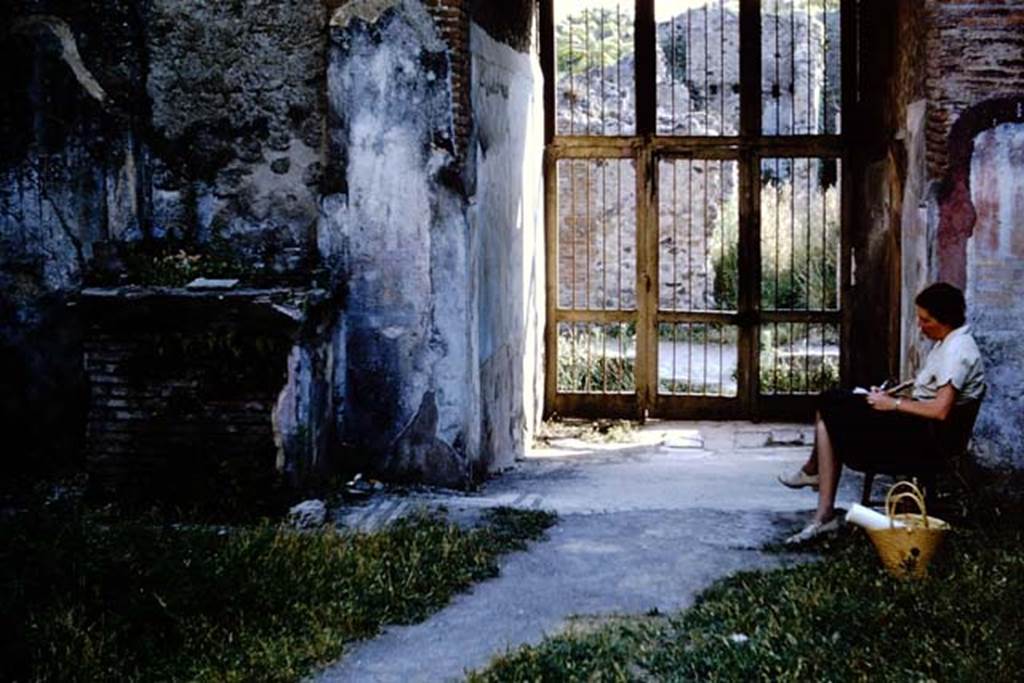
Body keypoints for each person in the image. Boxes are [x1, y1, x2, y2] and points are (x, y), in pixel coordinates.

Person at [779, 282, 986, 544]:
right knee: (832, 407)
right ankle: (821, 504)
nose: (920, 326)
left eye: (926, 320)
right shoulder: (948, 342)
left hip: (928, 441)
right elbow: (927, 393)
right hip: (919, 428)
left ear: (945, 320)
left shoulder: (957, 351)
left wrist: (893, 405)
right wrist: (891, 396)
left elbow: (940, 410)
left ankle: (819, 490)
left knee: (829, 404)